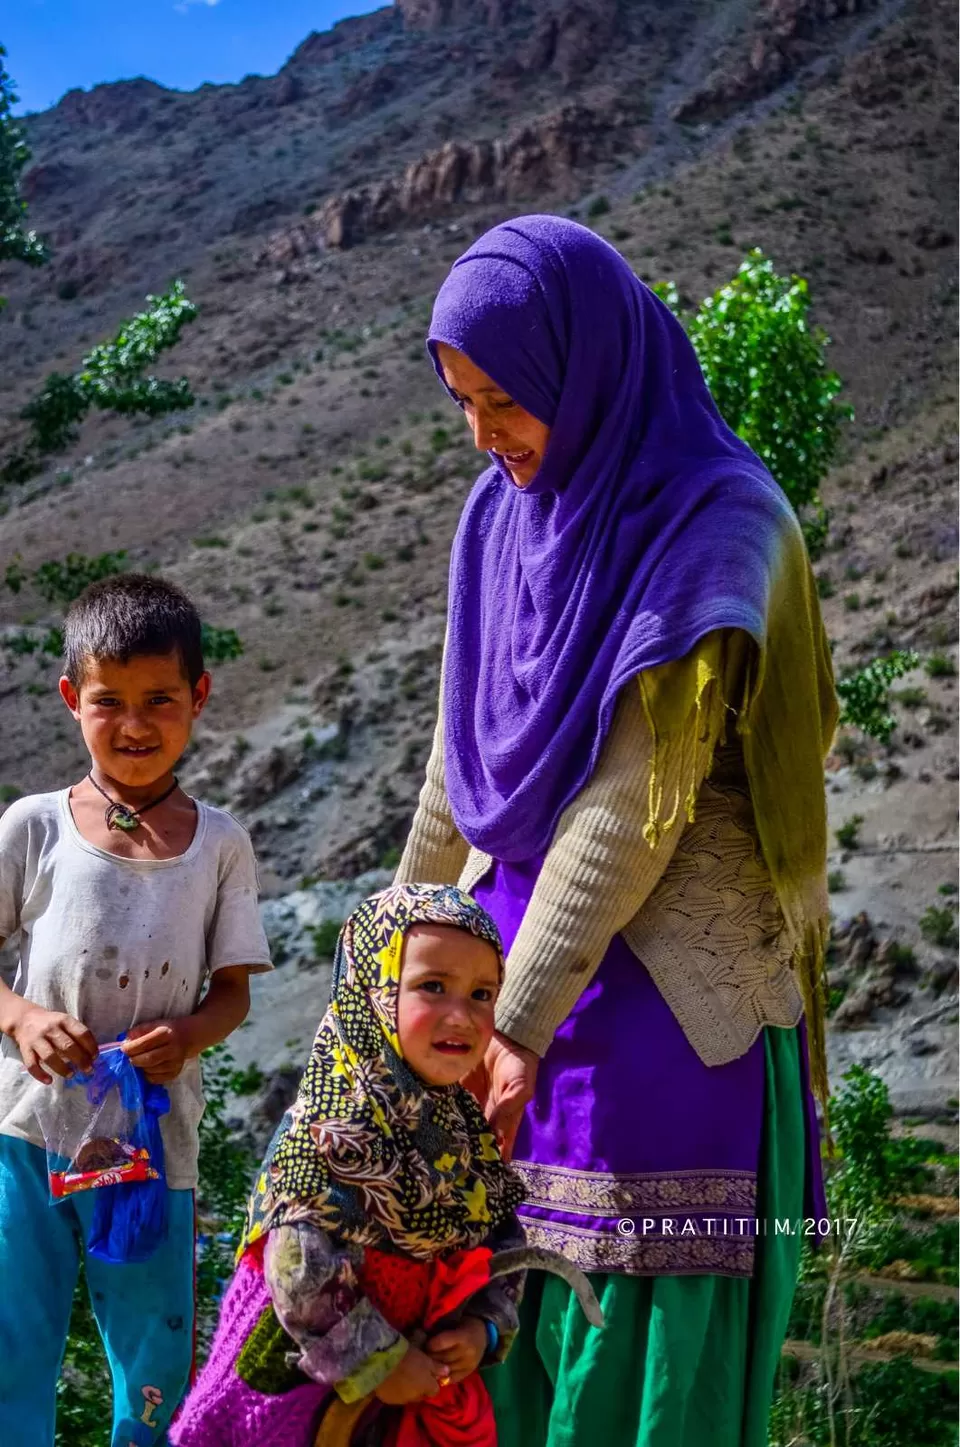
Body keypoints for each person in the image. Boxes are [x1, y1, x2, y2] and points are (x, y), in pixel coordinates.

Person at [394, 215, 839, 1447]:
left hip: (662, 1039)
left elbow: (629, 808)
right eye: (463, 403)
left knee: (641, 1385)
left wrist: (516, 1028)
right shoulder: (501, 522)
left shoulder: (720, 524)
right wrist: (382, 975)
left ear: (584, 371)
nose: (485, 436)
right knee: (490, 1360)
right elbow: (458, 770)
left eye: (506, 400)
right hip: (505, 1025)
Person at [0, 574, 273, 1447]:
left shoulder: (220, 844)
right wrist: (20, 1019)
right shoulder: (33, 828)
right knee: (13, 1349)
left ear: (198, 696)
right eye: (108, 701)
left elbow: (232, 991)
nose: (134, 724)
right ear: (71, 699)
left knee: (150, 1370)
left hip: (152, 1147)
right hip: (27, 1131)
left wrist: (187, 1034)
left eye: (160, 699)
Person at [170, 883, 528, 1447]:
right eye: (432, 987)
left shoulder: (463, 1136)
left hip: (398, 1400)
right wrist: (379, 1361)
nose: (461, 1016)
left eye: (482, 994)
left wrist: (482, 1328)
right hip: (294, 1389)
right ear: (373, 991)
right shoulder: (328, 1128)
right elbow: (297, 1270)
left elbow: (502, 1243)